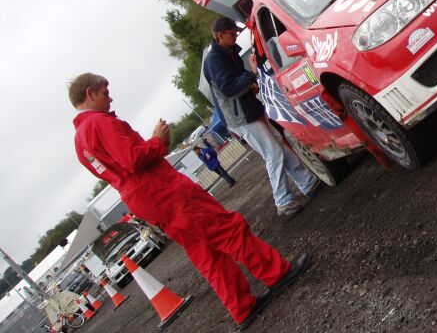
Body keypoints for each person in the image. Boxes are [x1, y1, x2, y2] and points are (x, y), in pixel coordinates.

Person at [69, 73, 310, 330]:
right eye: (105, 93)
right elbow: (134, 159)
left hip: (145, 199)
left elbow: (119, 168)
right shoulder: (100, 123)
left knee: (205, 252)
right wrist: (157, 140)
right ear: (89, 93)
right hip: (164, 190)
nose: (110, 98)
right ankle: (277, 273)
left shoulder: (79, 141)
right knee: (228, 229)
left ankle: (242, 307)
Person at [202, 16, 321, 217]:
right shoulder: (215, 60)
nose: (235, 37)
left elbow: (234, 85)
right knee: (273, 153)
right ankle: (282, 200)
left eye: (235, 33)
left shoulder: (226, 53)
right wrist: (251, 74)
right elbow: (229, 88)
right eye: (232, 34)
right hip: (241, 117)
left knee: (278, 146)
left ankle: (307, 182)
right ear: (220, 35)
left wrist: (250, 83)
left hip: (249, 110)